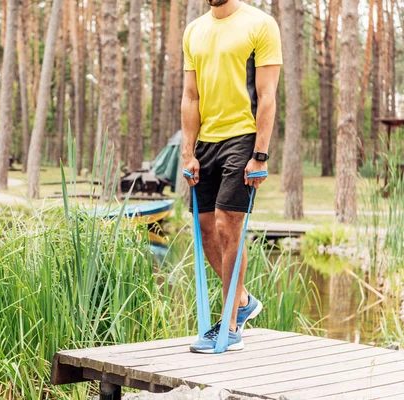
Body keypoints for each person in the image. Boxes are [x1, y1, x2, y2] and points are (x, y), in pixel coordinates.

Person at [181, 0, 282, 353]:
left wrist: (260, 155)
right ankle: (241, 300)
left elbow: (267, 95)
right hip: (206, 141)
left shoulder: (261, 24)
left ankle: (231, 325)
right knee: (206, 228)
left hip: (243, 138)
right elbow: (191, 96)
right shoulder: (194, 30)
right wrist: (188, 151)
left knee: (228, 226)